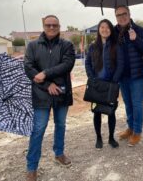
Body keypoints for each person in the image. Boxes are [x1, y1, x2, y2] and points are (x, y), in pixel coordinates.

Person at [24, 15, 75, 181]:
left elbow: (67, 65)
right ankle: (32, 167)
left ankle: (59, 153)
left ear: (59, 27)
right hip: (41, 93)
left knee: (60, 124)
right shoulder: (32, 45)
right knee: (38, 129)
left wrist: (45, 73)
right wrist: (47, 85)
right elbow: (29, 68)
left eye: (55, 25)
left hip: (61, 92)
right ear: (43, 26)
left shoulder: (67, 45)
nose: (51, 28)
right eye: (48, 25)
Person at [114, 5, 143, 146]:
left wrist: (135, 39)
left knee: (137, 104)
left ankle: (137, 131)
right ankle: (130, 127)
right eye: (119, 15)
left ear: (129, 14)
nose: (122, 16)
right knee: (128, 104)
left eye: (124, 13)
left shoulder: (139, 30)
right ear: (116, 17)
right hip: (122, 76)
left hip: (136, 75)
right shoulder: (114, 32)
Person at [85, 19, 124, 150]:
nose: (105, 30)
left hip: (110, 85)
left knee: (111, 112)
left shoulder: (116, 45)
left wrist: (114, 80)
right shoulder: (92, 46)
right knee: (97, 112)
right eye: (102, 27)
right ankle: (98, 138)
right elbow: (88, 64)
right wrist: (91, 78)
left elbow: (120, 65)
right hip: (96, 85)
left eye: (107, 27)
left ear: (111, 30)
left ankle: (111, 138)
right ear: (99, 30)